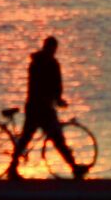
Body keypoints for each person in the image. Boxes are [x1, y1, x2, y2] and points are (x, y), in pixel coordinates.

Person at [6, 35, 87, 179]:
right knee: (57, 139)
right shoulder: (50, 63)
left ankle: (12, 168)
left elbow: (40, 86)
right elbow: (53, 85)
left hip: (34, 106)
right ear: (53, 48)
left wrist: (55, 98)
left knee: (27, 138)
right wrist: (57, 99)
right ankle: (74, 168)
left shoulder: (36, 62)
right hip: (43, 108)